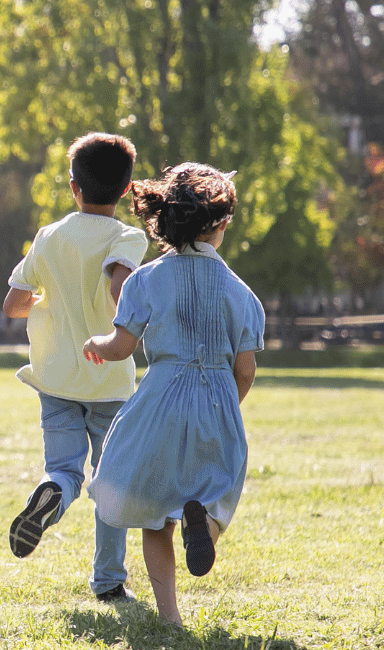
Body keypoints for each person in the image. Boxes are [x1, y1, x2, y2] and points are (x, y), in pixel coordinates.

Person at [82, 162, 262, 626]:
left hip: (160, 398)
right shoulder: (241, 294)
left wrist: (96, 344)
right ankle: (204, 526)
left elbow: (121, 347)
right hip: (218, 398)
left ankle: (170, 618)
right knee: (219, 492)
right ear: (220, 224)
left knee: (153, 511)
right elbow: (246, 369)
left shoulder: (144, 279)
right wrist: (224, 407)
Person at [0, 133, 145, 602]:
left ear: (72, 186)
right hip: (108, 378)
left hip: (55, 377)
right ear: (126, 190)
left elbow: (13, 304)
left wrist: (51, 301)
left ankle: (51, 493)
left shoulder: (49, 235)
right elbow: (120, 287)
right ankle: (108, 581)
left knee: (63, 468)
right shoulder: (128, 236)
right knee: (111, 482)